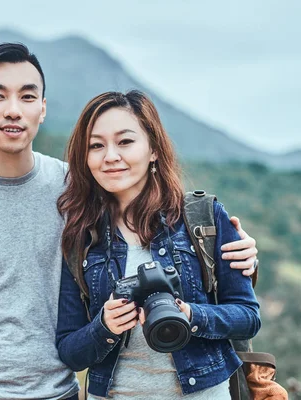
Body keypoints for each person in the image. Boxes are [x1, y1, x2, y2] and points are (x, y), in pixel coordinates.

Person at [0, 44, 259, 400]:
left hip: (57, 393)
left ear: (42, 109)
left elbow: (237, 301)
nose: (13, 110)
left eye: (27, 97)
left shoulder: (76, 189)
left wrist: (243, 255)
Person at [56, 90, 261, 399]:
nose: (110, 156)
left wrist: (191, 315)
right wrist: (105, 326)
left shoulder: (202, 217)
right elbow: (69, 350)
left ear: (153, 149)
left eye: (125, 142)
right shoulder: (80, 238)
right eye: (96, 146)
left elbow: (248, 317)